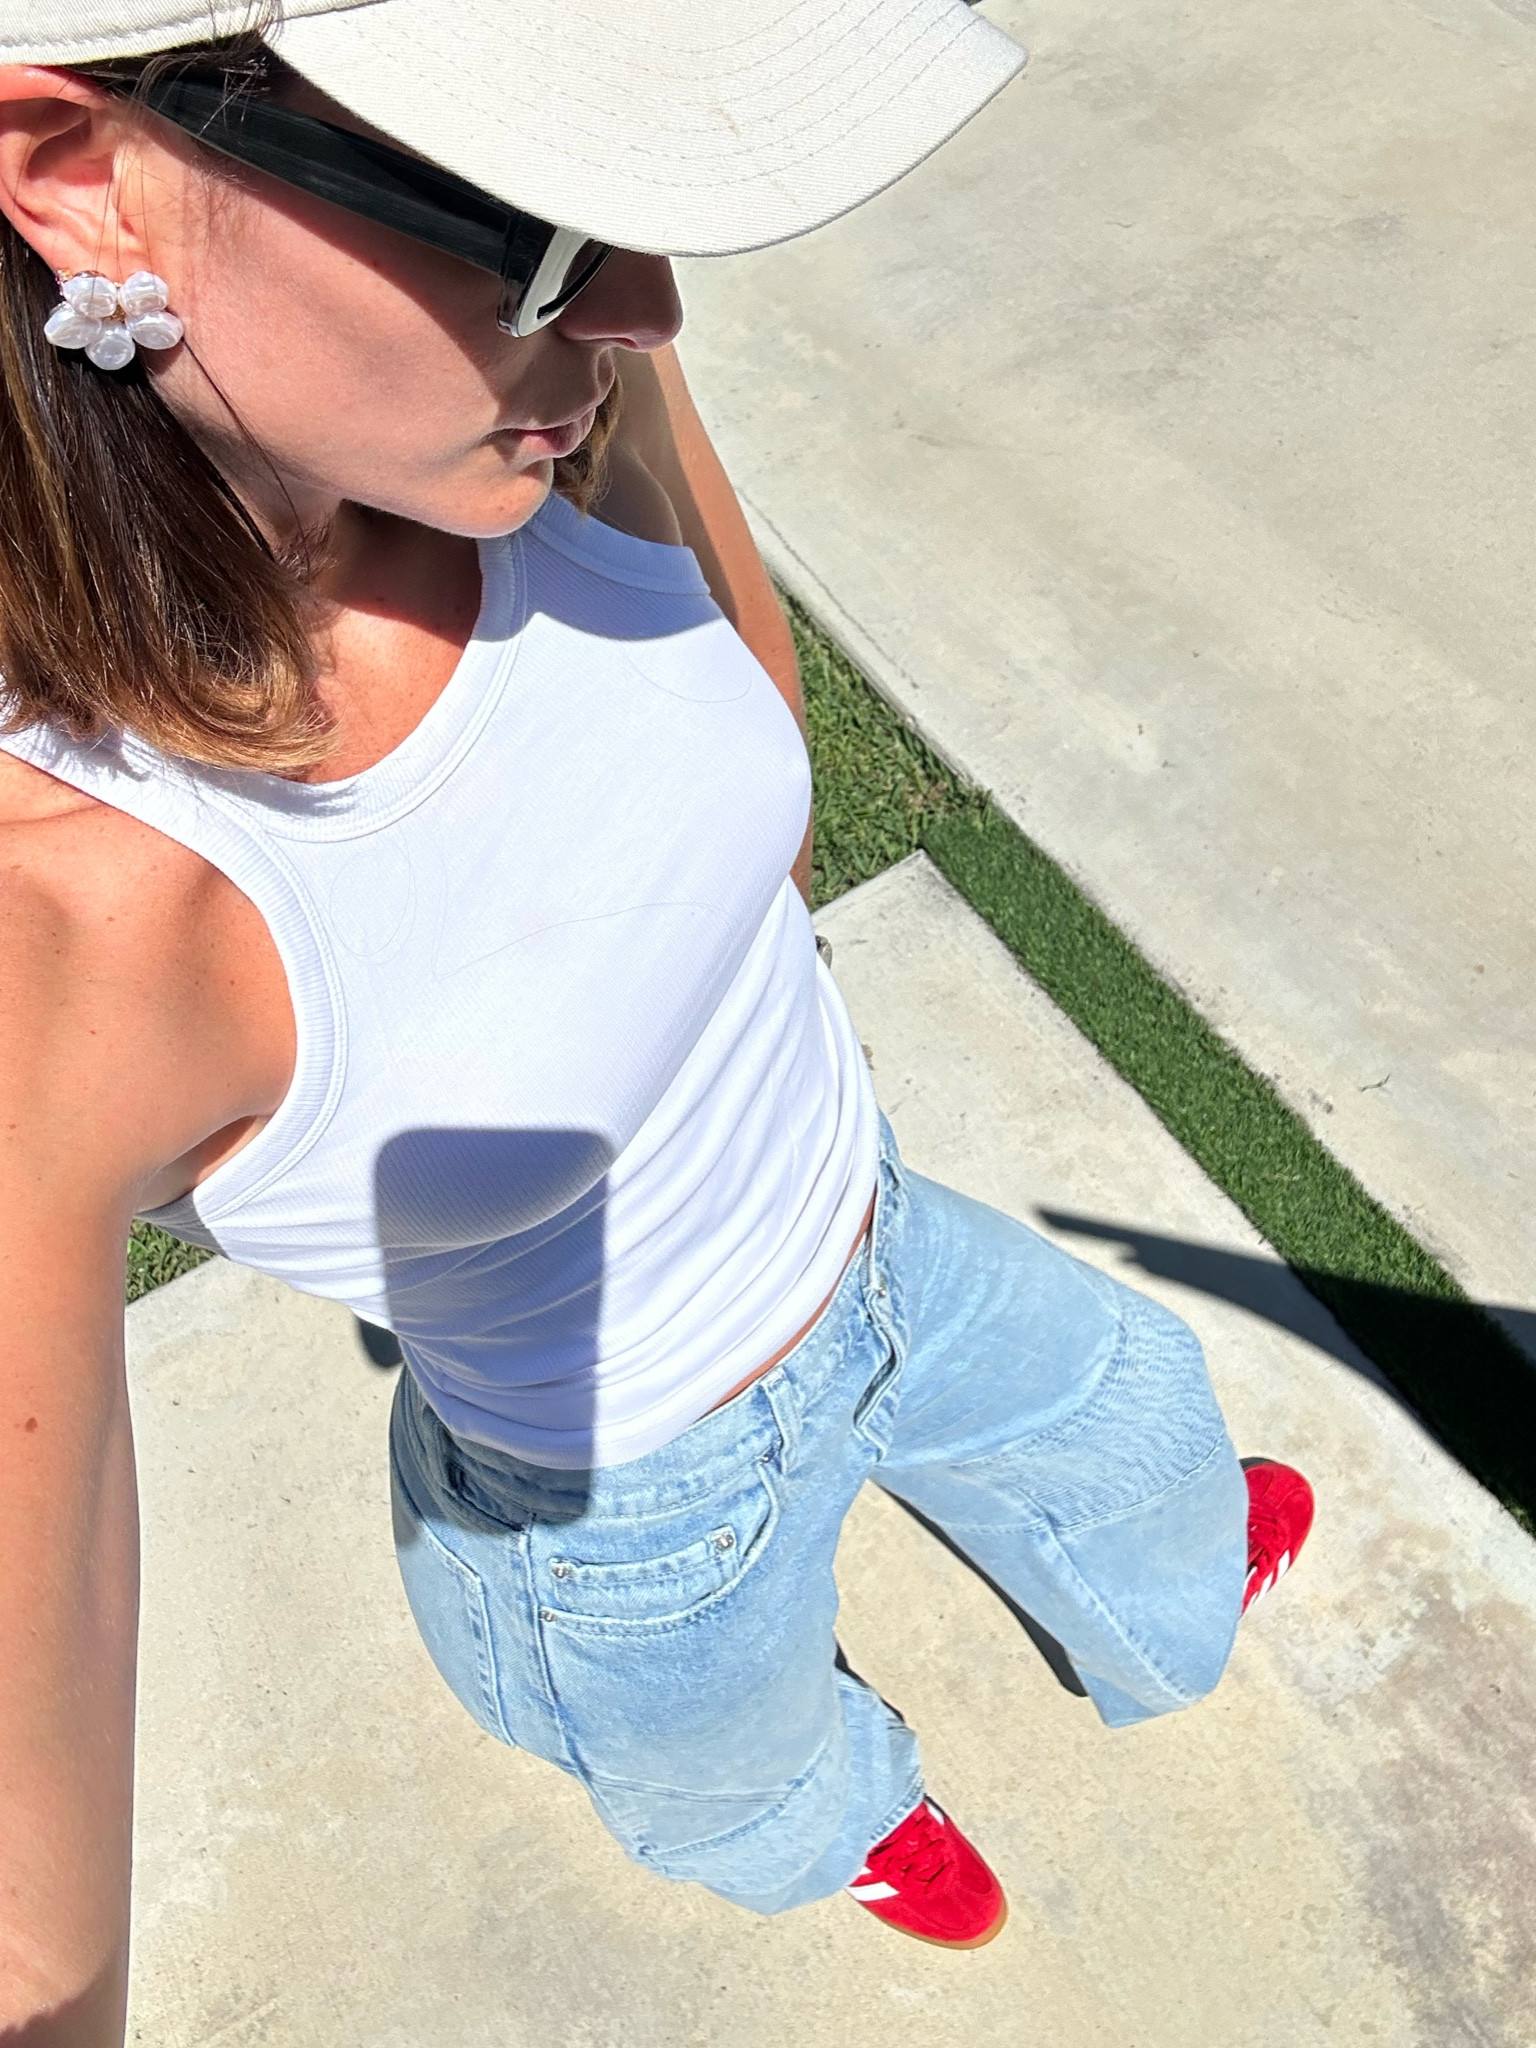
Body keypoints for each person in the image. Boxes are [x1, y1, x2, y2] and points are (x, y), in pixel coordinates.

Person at [0, 2, 1315, 2037]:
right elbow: (32, 1938)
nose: (642, 304)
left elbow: (747, 731)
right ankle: (832, 1824)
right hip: (627, 1498)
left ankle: (1123, 1586)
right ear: (85, 179)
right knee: (733, 1761)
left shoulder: (541, 400)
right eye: (533, 214)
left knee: (1144, 1442)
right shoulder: (71, 921)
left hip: (881, 1229)